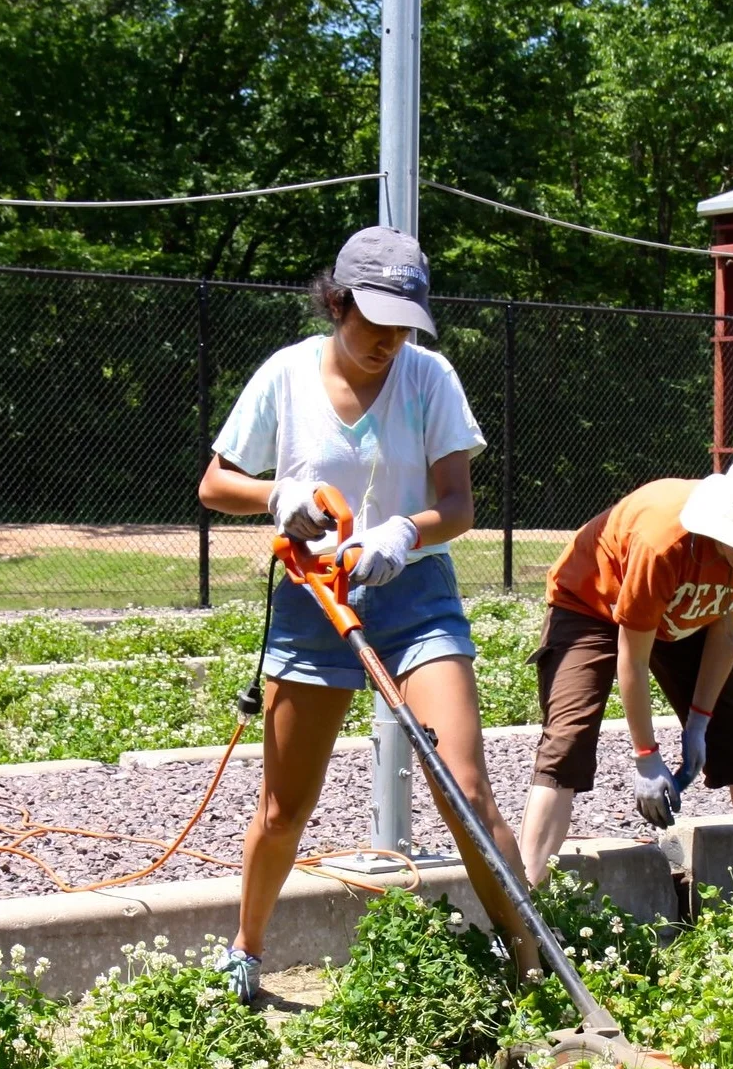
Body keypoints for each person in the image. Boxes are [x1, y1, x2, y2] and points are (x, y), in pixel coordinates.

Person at [197, 224, 540, 1001]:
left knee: (464, 788)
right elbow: (215, 485)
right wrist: (277, 495)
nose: (388, 342)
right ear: (338, 302)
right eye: (374, 323)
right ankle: (245, 954)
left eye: (402, 327)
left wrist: (402, 531)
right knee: (285, 808)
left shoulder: (430, 379)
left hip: (415, 601)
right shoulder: (285, 375)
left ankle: (528, 955)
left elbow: (457, 505)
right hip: (313, 600)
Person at [517, 453, 733, 926]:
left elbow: (729, 630)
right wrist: (646, 755)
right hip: (591, 602)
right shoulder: (664, 541)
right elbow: (631, 654)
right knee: (568, 738)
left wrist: (700, 721)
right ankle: (524, 905)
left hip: (683, 618)